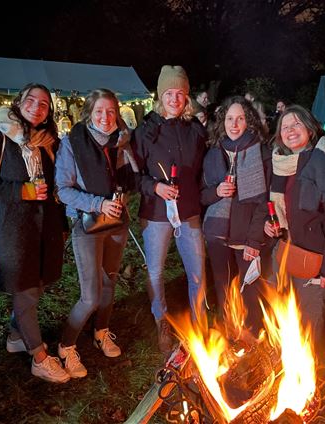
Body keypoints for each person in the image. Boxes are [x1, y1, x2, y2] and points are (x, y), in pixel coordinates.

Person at [0, 83, 69, 383]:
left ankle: (16, 335)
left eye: (44, 104)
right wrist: (21, 190)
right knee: (24, 289)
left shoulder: (50, 142)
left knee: (36, 286)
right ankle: (38, 357)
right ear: (19, 102)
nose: (37, 107)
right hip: (13, 227)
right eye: (31, 100)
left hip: (45, 226)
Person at [55, 88, 137, 377]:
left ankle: (101, 331)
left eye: (111, 111)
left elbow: (130, 181)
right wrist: (98, 203)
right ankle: (66, 346)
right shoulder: (72, 143)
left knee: (109, 284)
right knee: (89, 296)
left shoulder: (120, 142)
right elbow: (63, 190)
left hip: (117, 223)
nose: (105, 117)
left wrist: (127, 151)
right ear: (89, 113)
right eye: (99, 111)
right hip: (88, 224)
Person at [131, 65, 207, 354]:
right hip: (156, 213)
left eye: (180, 93)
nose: (175, 99)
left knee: (197, 271)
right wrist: (155, 187)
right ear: (160, 96)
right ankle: (161, 319)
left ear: (187, 97)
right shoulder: (146, 130)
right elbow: (133, 175)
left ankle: (200, 322)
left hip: (188, 212)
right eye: (169, 93)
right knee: (155, 272)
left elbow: (202, 172)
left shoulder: (195, 130)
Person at [265, 105, 325, 344]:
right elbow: (279, 208)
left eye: (296, 124)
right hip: (283, 250)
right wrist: (269, 225)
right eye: (285, 126)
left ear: (310, 129)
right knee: (278, 311)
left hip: (313, 258)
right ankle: (275, 363)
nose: (290, 131)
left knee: (309, 322)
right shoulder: (281, 164)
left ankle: (305, 371)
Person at [201, 96, 273, 335]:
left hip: (246, 232)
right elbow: (201, 195)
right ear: (222, 122)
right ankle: (229, 330)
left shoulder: (260, 152)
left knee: (249, 285)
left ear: (248, 121)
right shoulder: (213, 152)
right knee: (223, 284)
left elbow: (265, 201)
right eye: (229, 119)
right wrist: (216, 192)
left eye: (240, 118)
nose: (234, 124)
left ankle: (253, 332)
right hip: (217, 230)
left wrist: (254, 240)